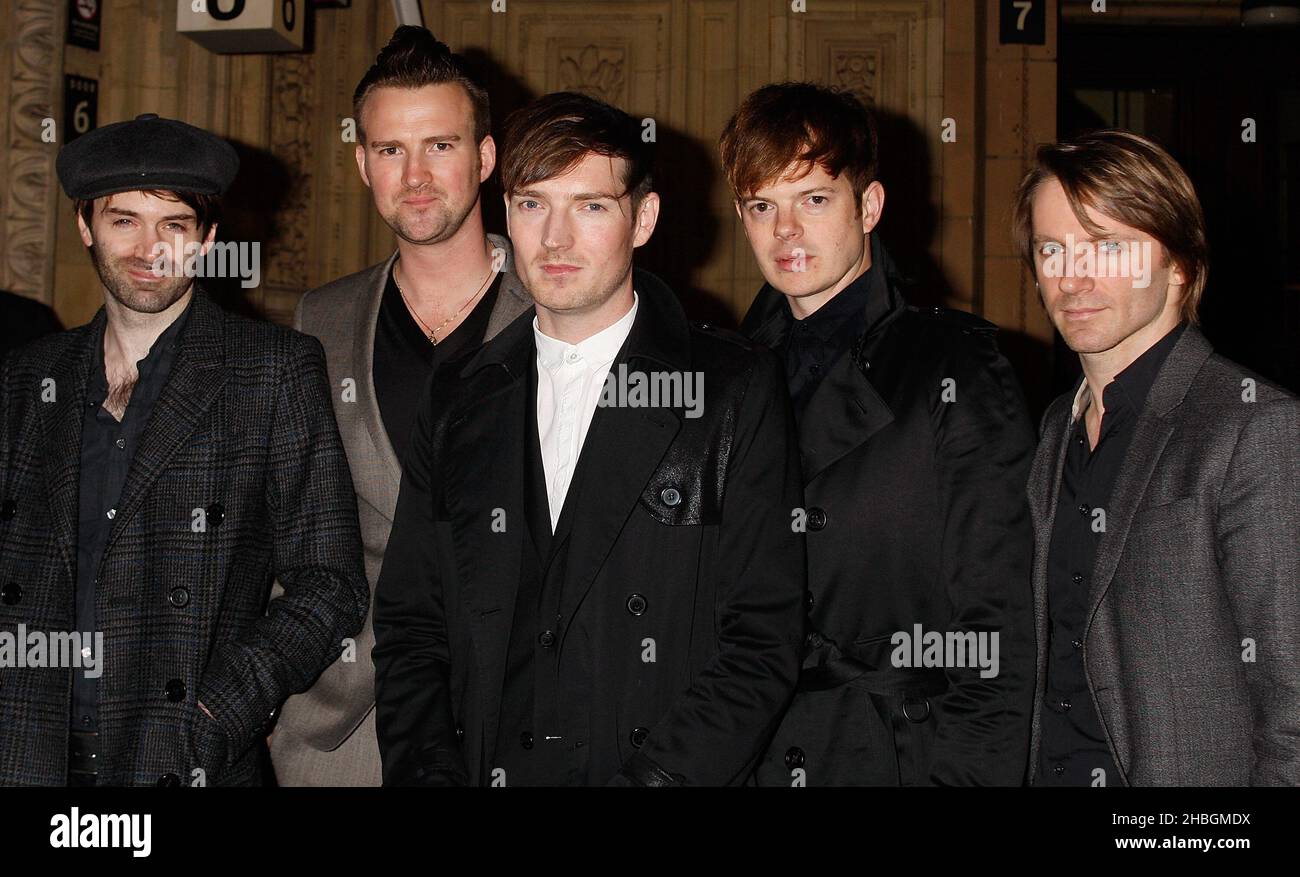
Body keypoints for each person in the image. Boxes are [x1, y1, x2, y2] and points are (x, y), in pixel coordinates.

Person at [372, 90, 806, 786]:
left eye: (591, 205)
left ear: (644, 219)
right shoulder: (459, 397)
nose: (555, 239)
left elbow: (761, 644)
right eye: (532, 203)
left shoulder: (732, 387)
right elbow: (410, 627)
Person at [0, 113, 368, 786]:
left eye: (173, 223)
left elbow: (330, 583)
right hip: (30, 752)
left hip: (181, 760)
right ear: (85, 226)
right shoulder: (24, 378)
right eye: (123, 220)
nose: (149, 247)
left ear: (207, 238)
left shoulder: (273, 371)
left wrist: (221, 707)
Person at [723, 82, 1036, 786]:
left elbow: (998, 630)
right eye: (761, 206)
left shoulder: (955, 362)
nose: (785, 231)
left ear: (868, 205)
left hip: (899, 756)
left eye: (814, 199)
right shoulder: (727, 371)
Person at [271, 26, 531, 787]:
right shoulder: (321, 319)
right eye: (391, 150)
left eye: (440, 146)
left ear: (485, 157)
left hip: (516, 714)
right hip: (345, 727)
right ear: (362, 163)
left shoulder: (557, 310)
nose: (415, 175)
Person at [1015, 130, 1300, 786]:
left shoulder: (1254, 424)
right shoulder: (1057, 425)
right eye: (1052, 249)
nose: (1072, 277)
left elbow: (1292, 707)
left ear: (1179, 264)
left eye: (1107, 247)